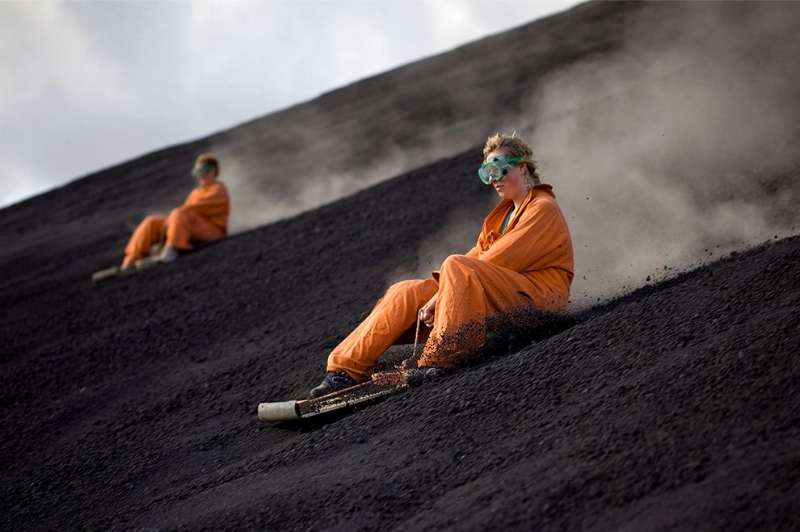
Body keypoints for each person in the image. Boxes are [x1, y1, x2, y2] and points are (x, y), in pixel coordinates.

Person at [309, 132, 574, 398]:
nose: (493, 179)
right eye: (486, 173)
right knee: (406, 292)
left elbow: (499, 258)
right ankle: (345, 370)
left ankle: (438, 360)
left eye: (497, 169)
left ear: (521, 166)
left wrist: (440, 296)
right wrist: (439, 293)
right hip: (500, 294)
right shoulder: (500, 217)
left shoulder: (542, 208)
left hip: (539, 301)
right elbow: (478, 256)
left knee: (456, 266)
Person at [121, 154, 230, 270]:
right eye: (197, 171)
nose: (201, 175)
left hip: (213, 231)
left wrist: (176, 218)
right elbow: (186, 212)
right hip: (191, 229)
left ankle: (171, 250)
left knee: (178, 213)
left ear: (214, 170)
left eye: (205, 170)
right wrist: (174, 220)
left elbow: (195, 209)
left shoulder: (218, 189)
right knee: (151, 222)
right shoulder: (196, 193)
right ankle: (132, 259)